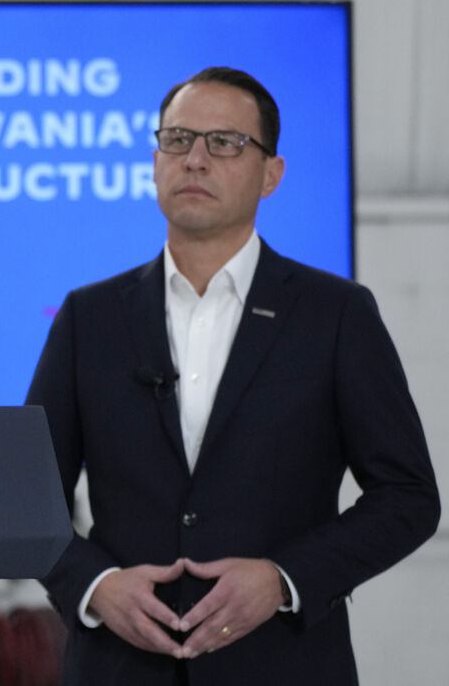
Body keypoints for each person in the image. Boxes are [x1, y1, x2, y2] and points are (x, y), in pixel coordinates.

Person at [26, 66, 439, 685]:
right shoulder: (90, 317)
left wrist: (283, 580)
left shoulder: (335, 314)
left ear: (271, 174)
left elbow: (409, 496)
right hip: (120, 666)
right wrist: (96, 586)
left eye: (224, 143)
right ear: (155, 160)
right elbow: (30, 497)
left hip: (284, 662)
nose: (195, 159)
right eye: (177, 139)